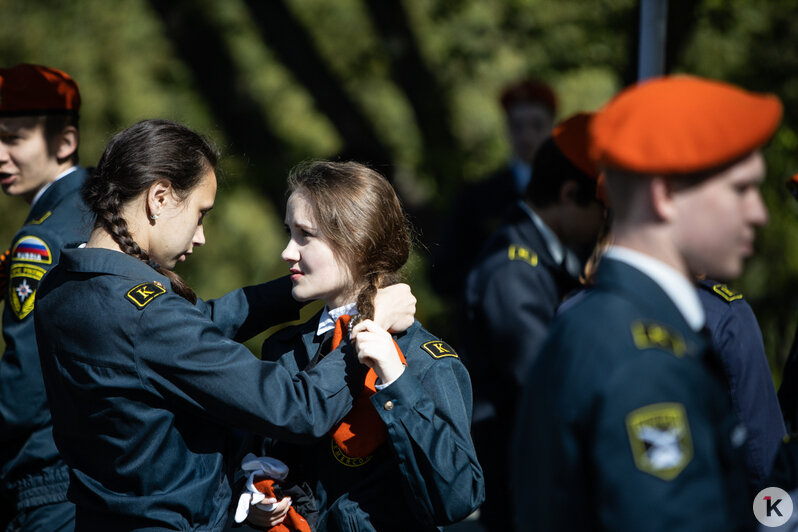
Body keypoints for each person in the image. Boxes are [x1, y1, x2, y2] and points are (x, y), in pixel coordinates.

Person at [33, 120, 416, 531]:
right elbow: (296, 408)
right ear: (159, 198)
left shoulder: (61, 289)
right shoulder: (147, 317)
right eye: (200, 214)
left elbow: (192, 330)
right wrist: (370, 326)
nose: (200, 237)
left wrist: (294, 290)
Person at [512, 75, 781, 530]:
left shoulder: (589, 318)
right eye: (740, 189)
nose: (759, 212)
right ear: (666, 195)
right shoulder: (643, 358)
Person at [246, 160, 484, 531]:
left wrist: (396, 380)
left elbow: (457, 497)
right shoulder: (285, 347)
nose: (287, 252)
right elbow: (266, 457)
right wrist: (251, 493)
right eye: (288, 233)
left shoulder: (425, 361)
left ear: (357, 243)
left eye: (305, 235)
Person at [462, 112, 605, 531]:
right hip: (523, 485)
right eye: (601, 207)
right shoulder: (514, 271)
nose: (604, 221)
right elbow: (545, 381)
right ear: (569, 193)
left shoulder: (543, 260)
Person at [0, 63, 90, 532]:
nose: (0, 154)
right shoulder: (105, 207)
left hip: (48, 481)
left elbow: (21, 392)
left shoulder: (42, 237)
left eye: (14, 138)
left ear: (64, 142)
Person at [430, 79, 557, 302]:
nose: (526, 136)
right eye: (517, 126)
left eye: (537, 125)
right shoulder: (477, 197)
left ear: (552, 128)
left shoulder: (568, 193)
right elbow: (444, 274)